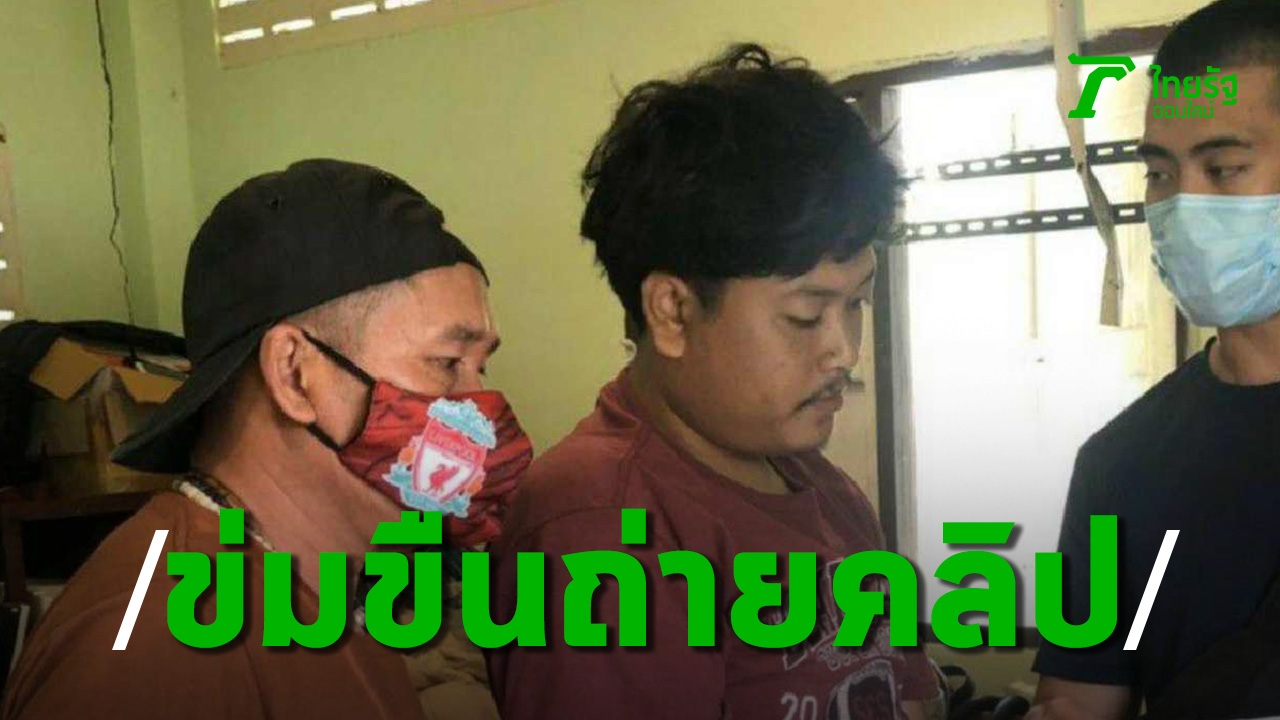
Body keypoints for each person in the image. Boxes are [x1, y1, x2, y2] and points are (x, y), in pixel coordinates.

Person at [486, 44, 942, 720]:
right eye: (805, 315)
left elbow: (915, 697)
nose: (844, 351)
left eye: (857, 303)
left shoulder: (822, 487)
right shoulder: (603, 528)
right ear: (673, 312)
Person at [2, 159, 533, 719]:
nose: (481, 408)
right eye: (447, 362)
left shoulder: (332, 594)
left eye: (480, 368)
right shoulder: (155, 649)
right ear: (294, 373)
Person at [1031, 1, 1280, 717]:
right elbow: (1080, 700)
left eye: (1224, 168)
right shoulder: (1119, 466)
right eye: (1162, 176)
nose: (1183, 209)